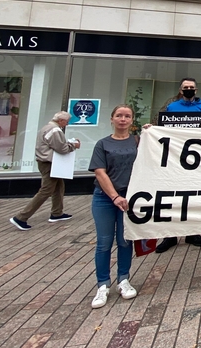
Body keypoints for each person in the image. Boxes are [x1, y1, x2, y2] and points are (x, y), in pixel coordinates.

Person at [88, 104, 138, 309]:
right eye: (119, 115)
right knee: (104, 242)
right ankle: (103, 285)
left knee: (125, 240)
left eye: (127, 116)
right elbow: (100, 172)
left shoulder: (138, 141)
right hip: (105, 199)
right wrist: (114, 196)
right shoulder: (102, 144)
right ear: (112, 119)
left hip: (130, 198)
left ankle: (124, 279)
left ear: (132, 120)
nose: (123, 119)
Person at [155, 78, 201, 252]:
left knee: (193, 196)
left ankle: (193, 232)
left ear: (196, 89)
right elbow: (164, 129)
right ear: (180, 89)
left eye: (191, 87)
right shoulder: (172, 108)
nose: (189, 90)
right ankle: (170, 236)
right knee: (172, 196)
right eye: (186, 88)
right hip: (175, 159)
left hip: (195, 159)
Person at [10, 111, 81, 231]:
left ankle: (57, 213)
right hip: (49, 163)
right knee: (46, 190)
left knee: (59, 186)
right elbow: (62, 148)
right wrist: (74, 145)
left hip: (46, 162)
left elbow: (55, 145)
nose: (67, 124)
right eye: (67, 121)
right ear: (61, 121)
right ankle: (21, 217)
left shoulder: (46, 128)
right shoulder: (55, 130)